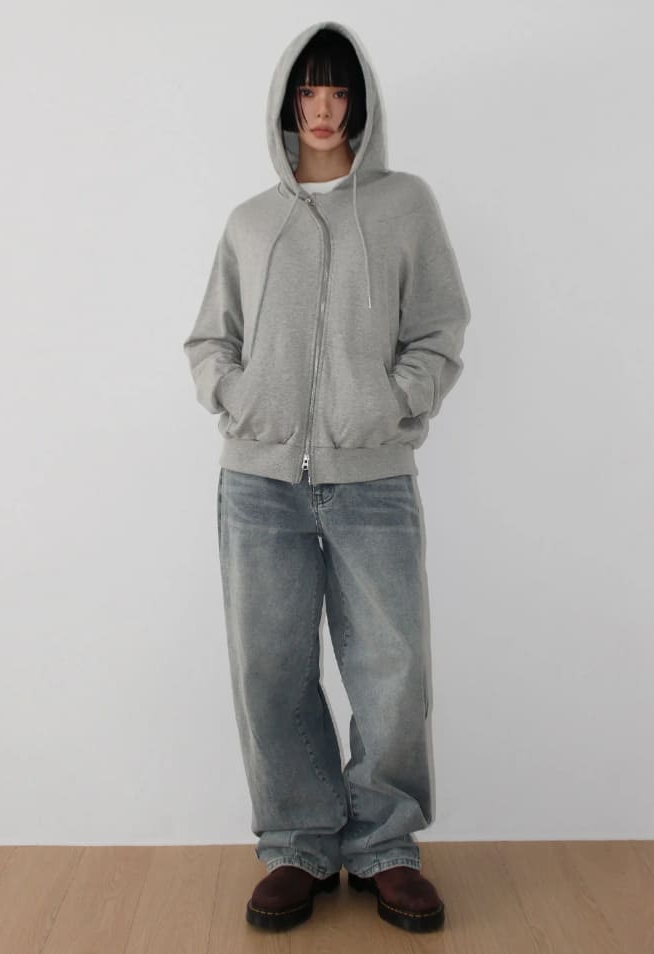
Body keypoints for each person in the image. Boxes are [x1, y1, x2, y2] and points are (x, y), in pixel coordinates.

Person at [183, 20, 470, 934]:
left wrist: (392, 404)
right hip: (258, 484)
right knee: (269, 669)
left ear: (360, 102)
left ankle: (384, 847)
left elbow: (439, 329)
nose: (322, 109)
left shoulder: (403, 205)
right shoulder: (251, 221)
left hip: (371, 479)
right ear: (286, 102)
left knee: (393, 671)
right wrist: (237, 397)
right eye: (308, 91)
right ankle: (299, 845)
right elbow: (209, 339)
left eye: (338, 90)